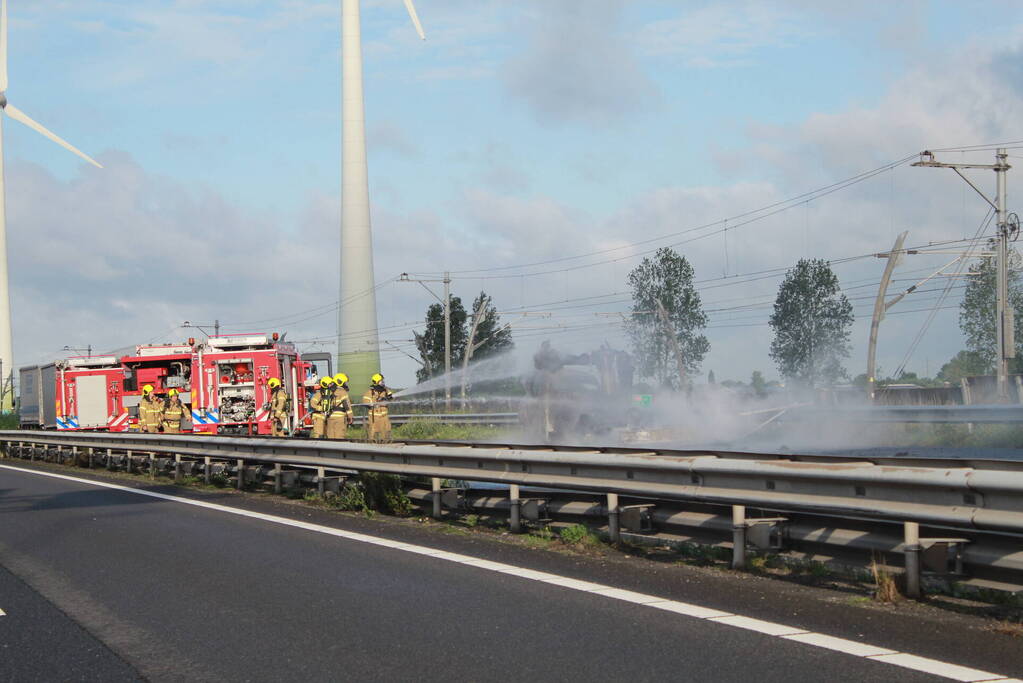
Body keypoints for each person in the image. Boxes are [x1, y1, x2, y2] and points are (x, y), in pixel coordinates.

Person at [363, 373, 394, 442]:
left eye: (383, 381)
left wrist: (388, 398)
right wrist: (371, 404)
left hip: (384, 415)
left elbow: (391, 398)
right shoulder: (370, 392)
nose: (383, 382)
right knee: (373, 430)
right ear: (377, 382)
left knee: (386, 429)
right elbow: (365, 402)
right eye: (381, 381)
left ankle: (385, 443)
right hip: (374, 416)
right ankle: (372, 443)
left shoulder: (386, 390)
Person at [326, 373, 354, 439]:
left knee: (330, 438)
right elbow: (347, 405)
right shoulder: (343, 392)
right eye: (344, 382)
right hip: (339, 418)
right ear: (340, 382)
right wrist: (350, 417)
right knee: (339, 437)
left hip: (330, 417)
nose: (345, 384)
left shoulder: (329, 391)